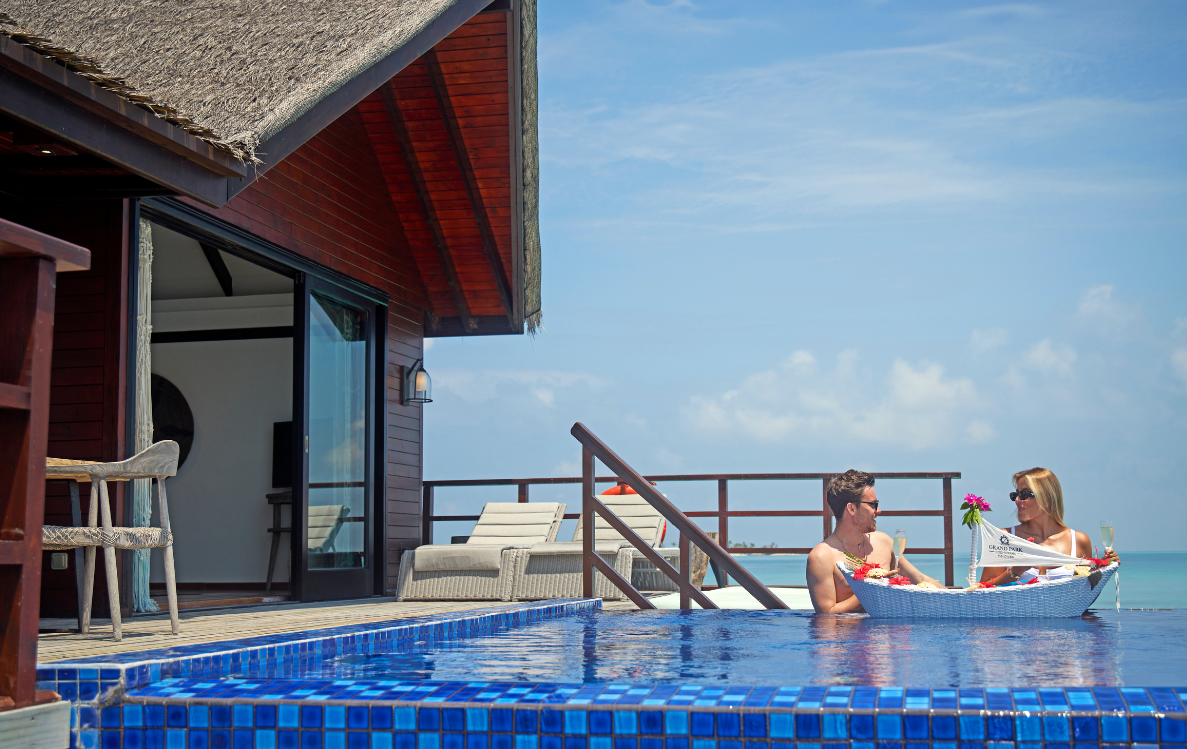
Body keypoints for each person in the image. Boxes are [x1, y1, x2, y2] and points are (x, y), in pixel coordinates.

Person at [806, 470, 943, 613]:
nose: (879, 511)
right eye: (873, 505)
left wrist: (958, 599)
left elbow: (920, 579)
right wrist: (871, 589)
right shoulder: (821, 557)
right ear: (851, 508)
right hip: (849, 628)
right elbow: (826, 615)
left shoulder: (883, 541)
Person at [977, 467, 1118, 587]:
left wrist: (1101, 570)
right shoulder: (1005, 538)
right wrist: (1015, 572)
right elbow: (982, 590)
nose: (1017, 500)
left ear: (1046, 497)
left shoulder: (1079, 541)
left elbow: (1083, 594)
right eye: (1015, 495)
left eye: (1024, 494)